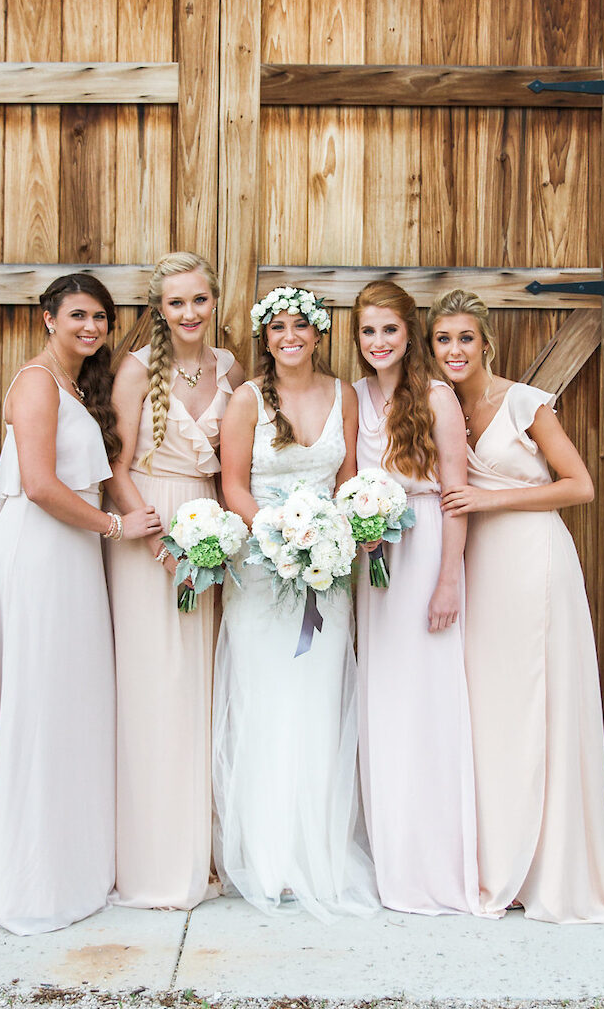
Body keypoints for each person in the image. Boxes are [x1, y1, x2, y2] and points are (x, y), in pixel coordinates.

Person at [428, 288, 604, 924]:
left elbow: (580, 486)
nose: (455, 350)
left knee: (538, 702)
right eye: (443, 340)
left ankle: (548, 865)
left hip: (533, 563)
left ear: (486, 343)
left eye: (465, 339)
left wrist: (489, 502)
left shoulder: (524, 403)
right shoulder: (438, 406)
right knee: (489, 711)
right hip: (479, 569)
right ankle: (497, 863)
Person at [0, 273, 162, 935]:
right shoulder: (35, 382)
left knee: (70, 705)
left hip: (72, 557)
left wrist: (151, 524)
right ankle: (33, 881)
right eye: (78, 315)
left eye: (100, 318)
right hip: (38, 554)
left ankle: (71, 865)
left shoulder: (80, 387)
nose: (90, 327)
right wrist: (115, 528)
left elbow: (108, 473)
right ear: (47, 316)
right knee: (39, 704)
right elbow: (39, 484)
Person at [212, 286, 378, 920]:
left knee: (316, 700)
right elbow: (232, 485)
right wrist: (281, 540)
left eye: (300, 326)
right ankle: (266, 854)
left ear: (317, 334)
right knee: (265, 699)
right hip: (262, 572)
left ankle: (317, 853)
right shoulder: (248, 399)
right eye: (277, 327)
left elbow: (344, 481)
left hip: (328, 577)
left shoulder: (344, 397)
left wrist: (328, 544)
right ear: (266, 336)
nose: (290, 337)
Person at [104, 252, 243, 909]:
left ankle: (201, 852)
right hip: (149, 530)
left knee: (199, 687)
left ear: (214, 301)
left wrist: (214, 544)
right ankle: (151, 858)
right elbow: (116, 465)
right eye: (175, 303)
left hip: (208, 533)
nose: (189, 313)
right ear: (158, 310)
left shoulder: (230, 368)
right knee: (152, 686)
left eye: (199, 300)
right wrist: (156, 540)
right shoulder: (135, 370)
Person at [352, 280, 481, 916]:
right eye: (368, 331)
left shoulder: (435, 396)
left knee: (427, 696)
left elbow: (455, 493)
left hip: (426, 544)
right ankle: (390, 849)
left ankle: (434, 859)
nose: (379, 343)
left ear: (410, 333)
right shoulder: (354, 397)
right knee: (384, 695)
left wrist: (449, 579)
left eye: (390, 331)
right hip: (374, 555)